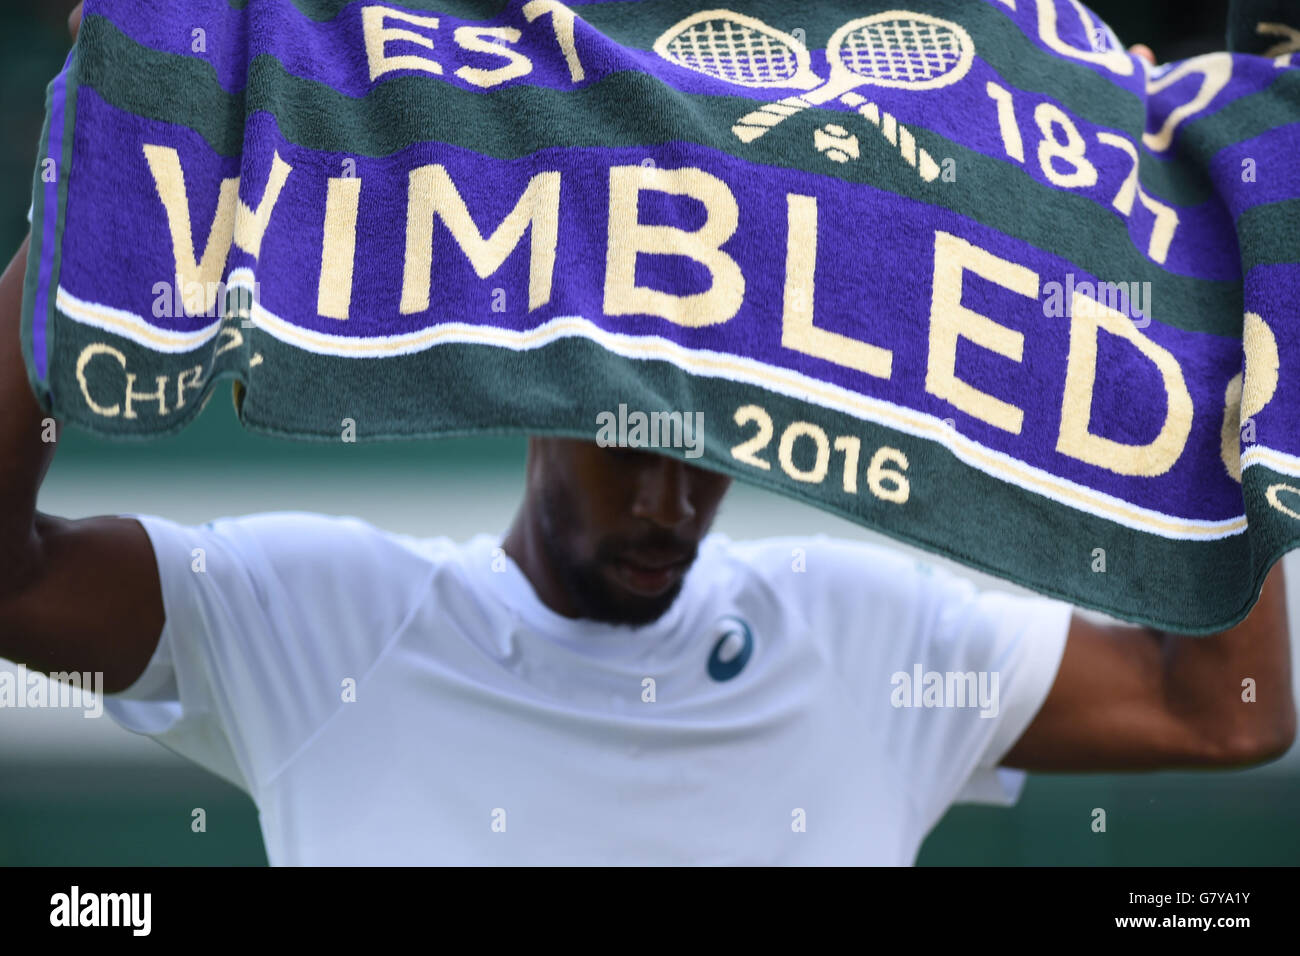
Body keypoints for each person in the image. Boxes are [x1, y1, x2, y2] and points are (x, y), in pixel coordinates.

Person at [0, 7, 1292, 866]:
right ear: (545, 408)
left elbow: (1227, 716)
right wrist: (106, 153)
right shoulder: (315, 617)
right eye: (637, 444)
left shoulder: (867, 633)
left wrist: (1210, 279)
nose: (673, 498)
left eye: (707, 450)